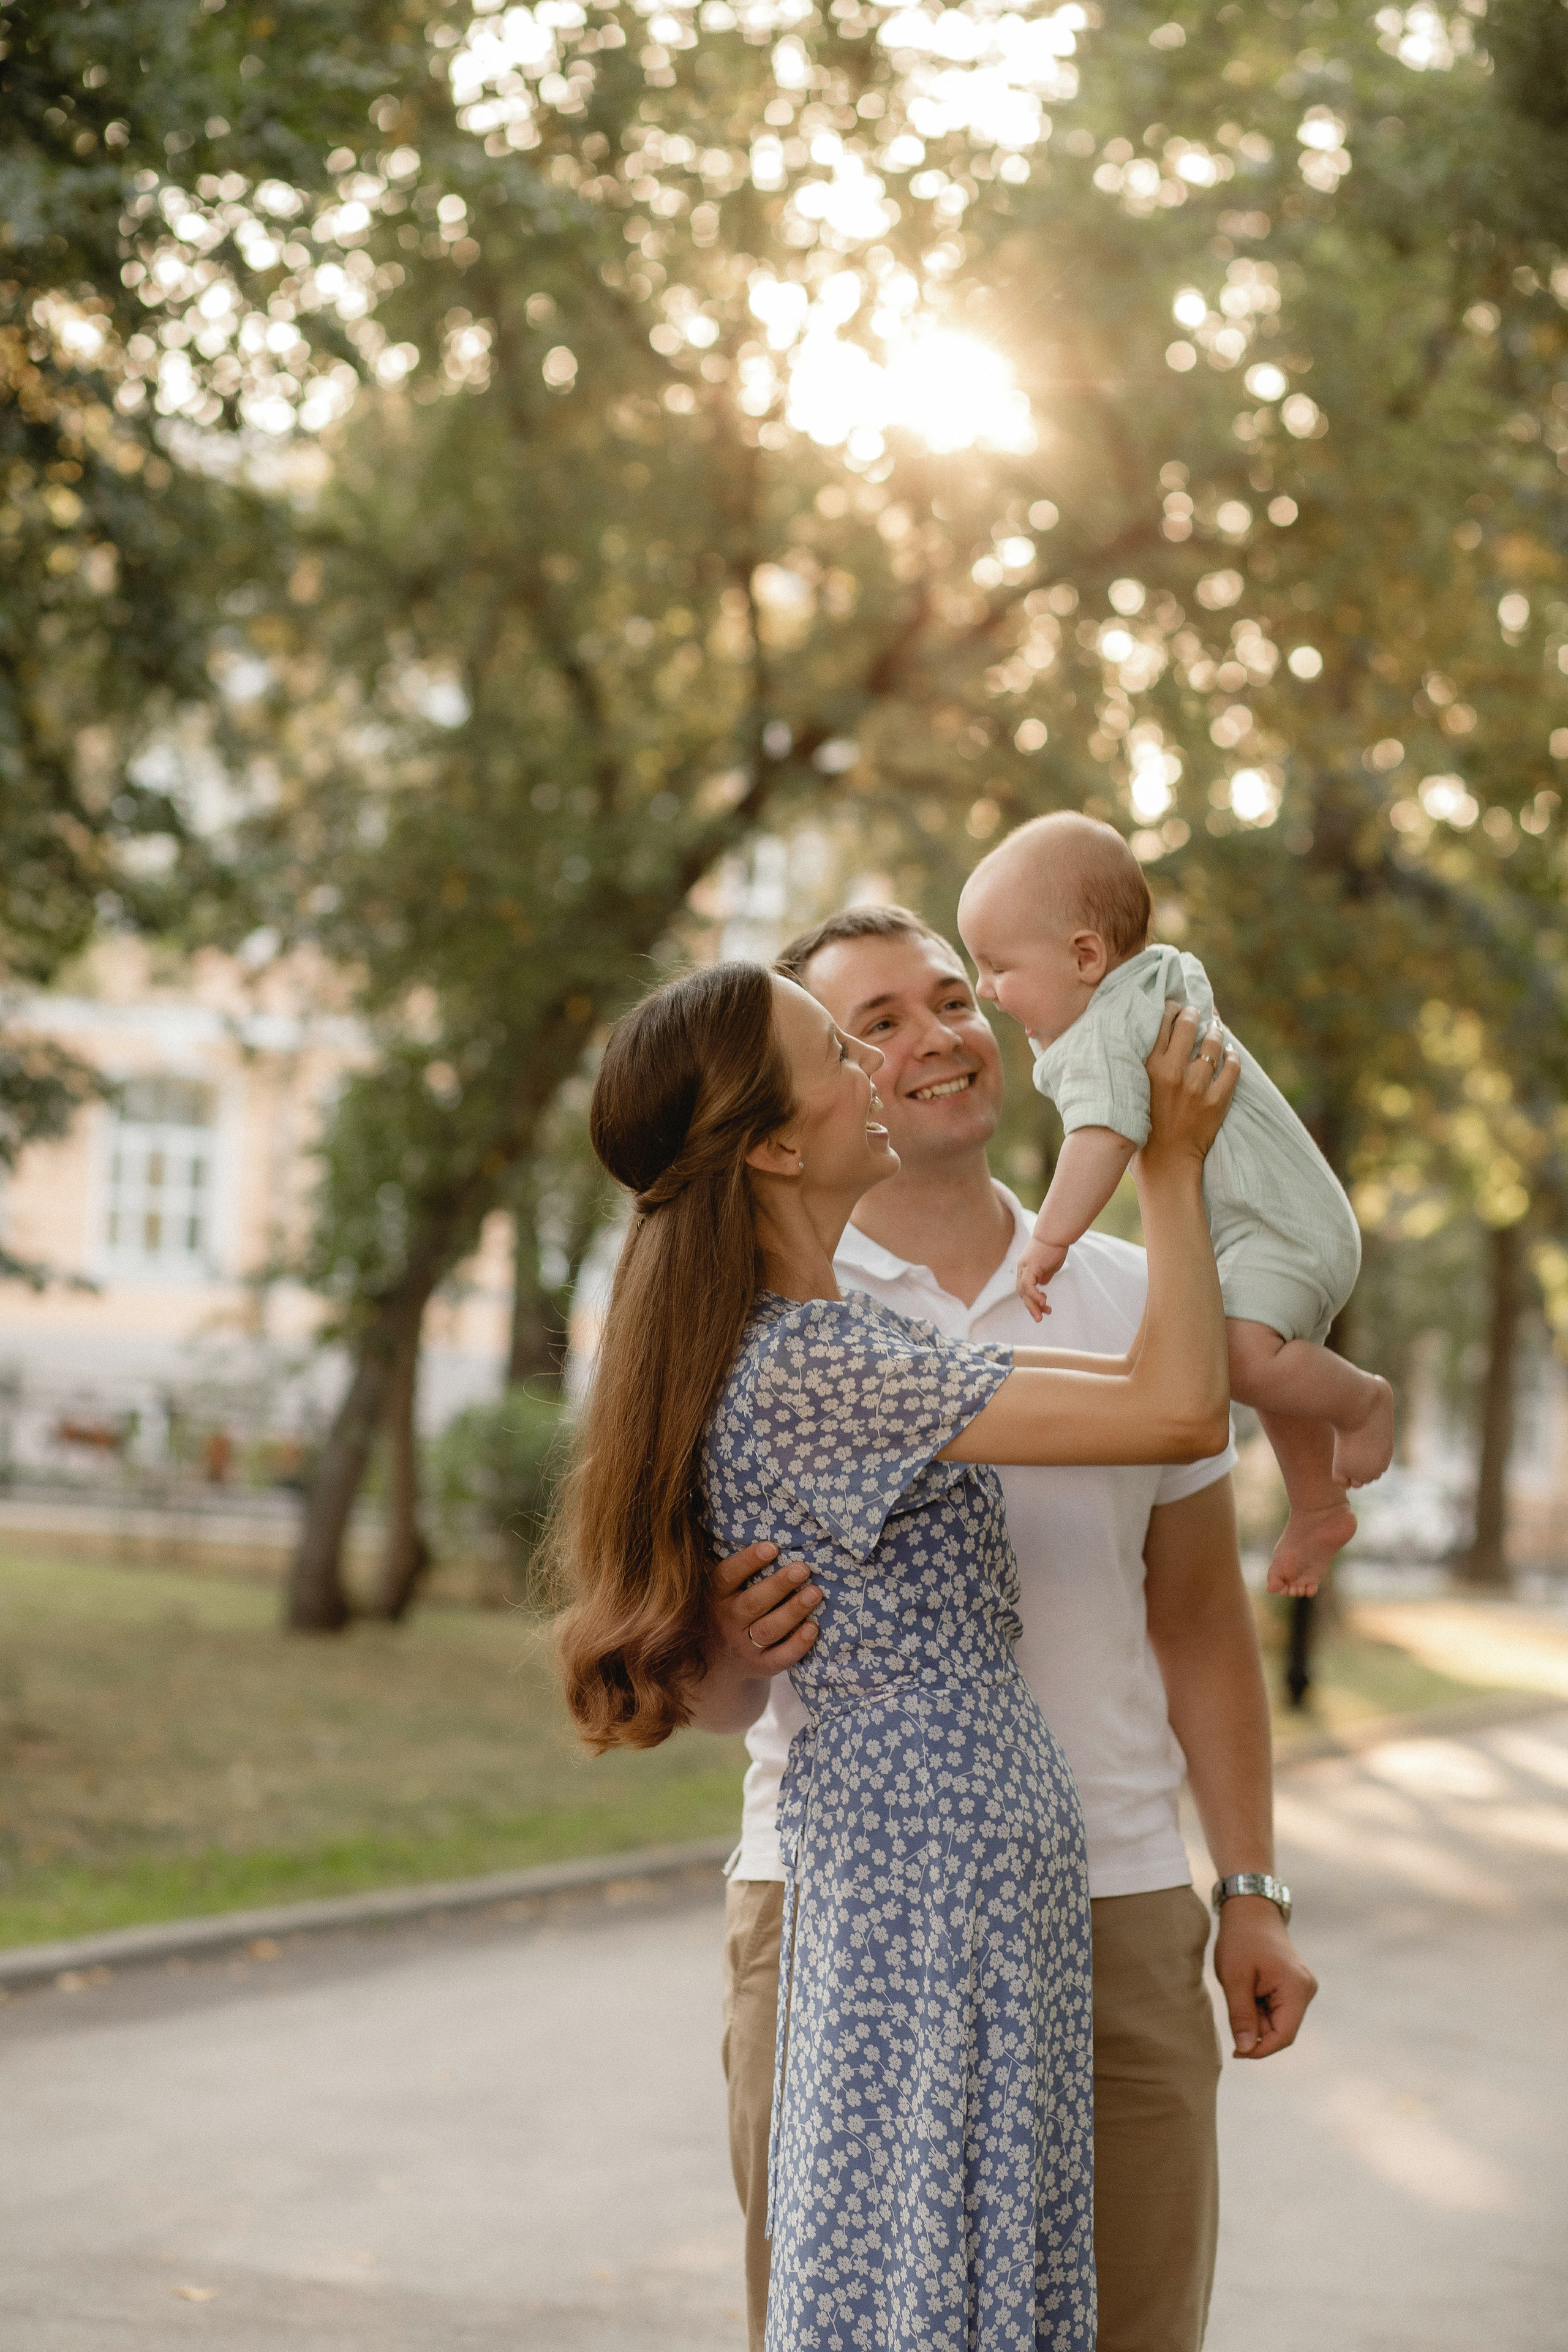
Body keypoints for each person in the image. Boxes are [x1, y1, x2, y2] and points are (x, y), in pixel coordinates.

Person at [554, 955, 1237, 2352]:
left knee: (933, 2262)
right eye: (835, 1045)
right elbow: (1174, 1409)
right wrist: (1166, 1161)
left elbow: (1153, 1396)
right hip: (933, 1869)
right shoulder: (816, 1362)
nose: (875, 1067)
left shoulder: (833, 1342)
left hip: (946, 1859)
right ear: (773, 1142)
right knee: (925, 2278)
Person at [699, 905, 1317, 2352]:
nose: (931, 1038)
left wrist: (1247, 1883)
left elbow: (1200, 1620)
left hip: (1108, 1890)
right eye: (873, 1022)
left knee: (1121, 2319)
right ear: (796, 1108)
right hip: (842, 1908)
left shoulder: (1131, 1296)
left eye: (950, 998)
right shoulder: (786, 1320)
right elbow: (691, 1687)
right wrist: (727, 1637)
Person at [958, 813, 1393, 1597]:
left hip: (1277, 1227)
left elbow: (1102, 1137)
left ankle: (1363, 1402)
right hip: (1281, 1219)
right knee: (1266, 1364)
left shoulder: (1103, 1030)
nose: (987, 990)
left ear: (1085, 956)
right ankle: (1317, 1503)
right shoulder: (1148, 983)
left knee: (1228, 1355)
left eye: (996, 968)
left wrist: (1048, 1238)